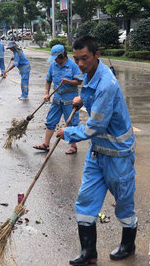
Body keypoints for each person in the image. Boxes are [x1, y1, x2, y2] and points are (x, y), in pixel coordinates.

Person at [56, 36, 137, 265]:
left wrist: (68, 133)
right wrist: (83, 99)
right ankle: (89, 252)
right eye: (77, 59)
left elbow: (96, 126)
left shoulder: (107, 85)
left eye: (85, 58)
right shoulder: (90, 75)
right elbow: (92, 96)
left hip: (118, 154)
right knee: (85, 200)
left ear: (97, 55)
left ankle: (128, 245)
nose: (80, 64)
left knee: (123, 203)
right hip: (97, 152)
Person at [33, 44, 83, 154]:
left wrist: (69, 82)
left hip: (70, 99)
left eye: (57, 58)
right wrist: (46, 94)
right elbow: (48, 80)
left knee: (71, 122)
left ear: (63, 55)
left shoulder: (73, 66)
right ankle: (46, 144)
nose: (55, 60)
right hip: (57, 98)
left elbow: (79, 81)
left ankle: (73, 146)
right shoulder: (53, 65)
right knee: (51, 120)